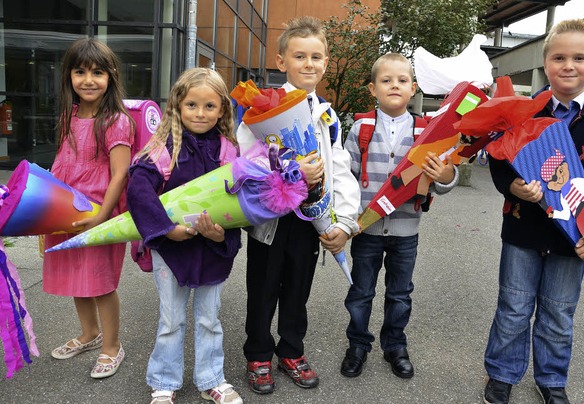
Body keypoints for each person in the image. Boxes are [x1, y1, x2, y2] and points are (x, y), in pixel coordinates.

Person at [482, 19, 584, 404]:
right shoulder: (523, 111)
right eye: (559, 57)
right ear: (546, 63)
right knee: (513, 308)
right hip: (523, 229)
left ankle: (551, 379)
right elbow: (500, 159)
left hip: (576, 237)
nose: (569, 65)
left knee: (559, 313)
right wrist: (511, 186)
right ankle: (502, 373)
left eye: (579, 57)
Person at [236, 16, 360, 394]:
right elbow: (244, 159)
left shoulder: (328, 114)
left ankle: (291, 349)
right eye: (300, 56)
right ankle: (258, 354)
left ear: (325, 62)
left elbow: (339, 168)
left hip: (310, 219)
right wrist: (289, 171)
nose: (309, 64)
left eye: (317, 57)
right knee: (263, 288)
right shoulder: (262, 106)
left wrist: (345, 221)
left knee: (297, 290)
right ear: (281, 61)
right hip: (271, 219)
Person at [127, 68, 243, 404]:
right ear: (178, 105)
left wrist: (223, 235)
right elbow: (139, 190)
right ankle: (164, 381)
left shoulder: (228, 150)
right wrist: (165, 230)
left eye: (210, 106)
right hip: (172, 246)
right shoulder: (165, 147)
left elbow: (242, 199)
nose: (200, 113)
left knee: (209, 317)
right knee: (171, 318)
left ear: (222, 109)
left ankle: (212, 379)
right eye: (192, 104)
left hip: (212, 246)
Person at [340, 53, 458, 379]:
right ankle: (358, 345)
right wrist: (346, 219)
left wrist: (446, 175)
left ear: (413, 88)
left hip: (407, 230)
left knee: (400, 293)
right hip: (367, 230)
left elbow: (445, 181)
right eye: (386, 80)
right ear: (372, 88)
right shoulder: (361, 127)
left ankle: (395, 344)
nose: (395, 85)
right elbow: (345, 178)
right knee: (361, 292)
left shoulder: (427, 131)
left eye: (402, 80)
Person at [44, 38, 134, 379]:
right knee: (76, 278)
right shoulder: (68, 115)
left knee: (101, 283)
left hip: (99, 213)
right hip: (66, 212)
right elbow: (61, 163)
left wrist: (101, 215)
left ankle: (112, 345)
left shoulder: (116, 120)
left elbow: (120, 172)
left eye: (97, 72)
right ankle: (89, 333)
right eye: (79, 71)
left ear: (110, 76)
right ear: (69, 76)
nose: (88, 80)